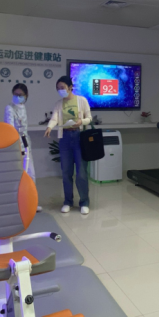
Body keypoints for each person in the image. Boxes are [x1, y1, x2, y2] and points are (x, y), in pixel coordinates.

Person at [44, 76, 92, 215]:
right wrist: (49, 127)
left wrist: (81, 122)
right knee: (66, 172)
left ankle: (84, 202)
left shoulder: (81, 100)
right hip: (64, 138)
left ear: (70, 87)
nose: (60, 90)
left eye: (62, 87)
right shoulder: (59, 103)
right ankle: (68, 202)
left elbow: (89, 118)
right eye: (58, 88)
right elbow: (54, 118)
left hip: (78, 137)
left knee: (81, 172)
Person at [5, 84, 42, 212]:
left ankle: (31, 203)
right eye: (16, 94)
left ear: (26, 96)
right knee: (17, 177)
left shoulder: (23, 107)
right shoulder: (9, 108)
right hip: (15, 147)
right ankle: (17, 205)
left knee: (31, 175)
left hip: (26, 146)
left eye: (20, 95)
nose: (18, 97)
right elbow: (10, 129)